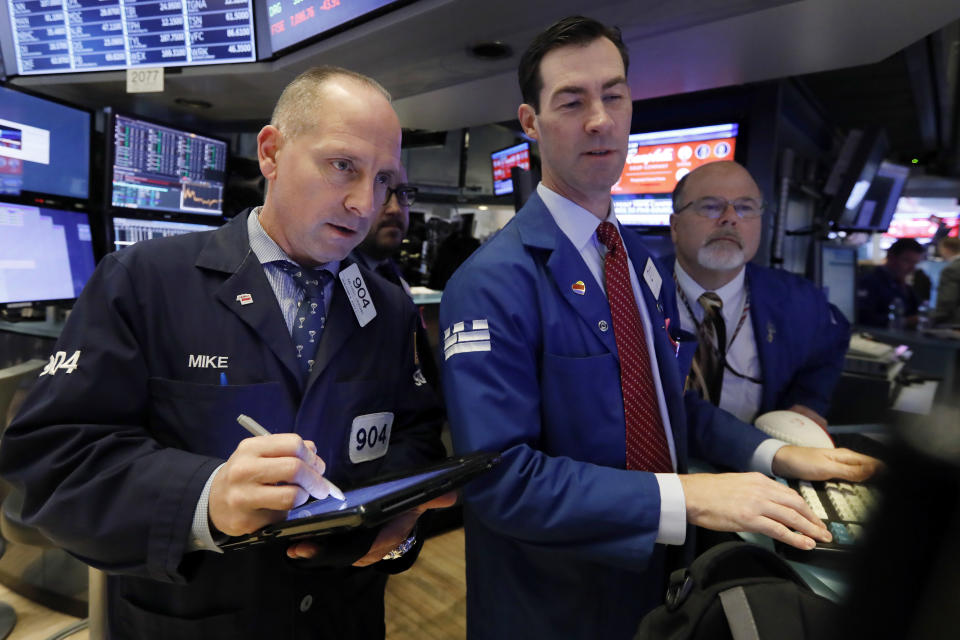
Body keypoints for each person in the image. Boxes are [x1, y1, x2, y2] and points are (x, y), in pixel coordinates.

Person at [439, 16, 879, 639]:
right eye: (571, 100)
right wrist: (690, 498)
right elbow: (502, 479)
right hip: (555, 599)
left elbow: (668, 405)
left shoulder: (637, 260)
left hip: (653, 580)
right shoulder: (492, 282)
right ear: (531, 124)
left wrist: (779, 454)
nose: (600, 119)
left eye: (613, 95)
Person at [0, 66, 452, 640]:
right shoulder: (143, 281)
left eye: (385, 179)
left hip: (345, 615)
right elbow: (54, 463)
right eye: (343, 165)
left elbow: (413, 435)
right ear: (271, 152)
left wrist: (398, 524)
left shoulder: (387, 307)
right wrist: (204, 497)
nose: (366, 203)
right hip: (193, 621)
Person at [666, 161, 850, 427]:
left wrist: (808, 401)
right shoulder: (633, 291)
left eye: (745, 208)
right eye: (710, 206)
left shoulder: (799, 299)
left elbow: (832, 344)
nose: (730, 218)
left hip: (757, 462)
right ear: (675, 226)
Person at [349, 169, 439, 390]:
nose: (395, 209)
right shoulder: (336, 283)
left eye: (403, 193)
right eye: (380, 191)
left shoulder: (390, 273)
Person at [856, 237, 927, 328]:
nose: (912, 268)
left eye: (915, 263)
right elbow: (863, 319)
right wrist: (904, 322)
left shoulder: (903, 286)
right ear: (891, 257)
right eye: (907, 261)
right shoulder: (869, 282)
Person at [932, 236, 960, 326]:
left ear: (945, 249)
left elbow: (947, 301)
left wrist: (932, 319)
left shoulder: (951, 269)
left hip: (954, 323)